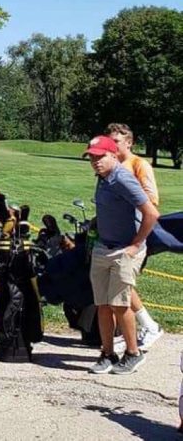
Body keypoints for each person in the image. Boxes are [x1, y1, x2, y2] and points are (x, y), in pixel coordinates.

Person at [84, 135, 158, 375]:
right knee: (103, 305)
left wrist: (136, 245)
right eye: (92, 158)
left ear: (113, 155)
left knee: (120, 304)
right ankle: (107, 353)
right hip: (103, 247)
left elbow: (151, 213)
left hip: (124, 250)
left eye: (100, 157)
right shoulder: (102, 178)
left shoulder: (122, 178)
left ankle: (133, 353)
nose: (95, 162)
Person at [107, 123, 163, 350]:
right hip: (113, 235)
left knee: (122, 286)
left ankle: (149, 327)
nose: (113, 146)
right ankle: (138, 328)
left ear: (129, 143)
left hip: (133, 236)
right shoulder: (110, 165)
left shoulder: (139, 165)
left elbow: (152, 200)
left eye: (117, 142)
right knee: (120, 287)